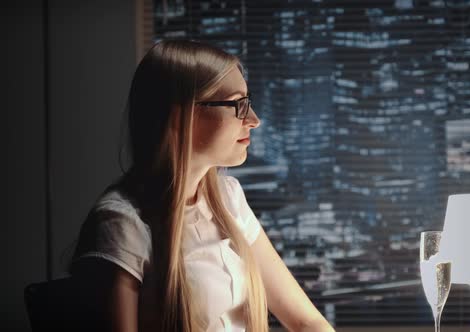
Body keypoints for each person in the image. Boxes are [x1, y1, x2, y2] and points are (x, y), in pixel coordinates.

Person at [69, 39, 335, 332]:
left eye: (249, 103)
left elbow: (306, 320)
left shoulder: (228, 197)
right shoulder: (121, 224)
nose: (254, 120)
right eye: (238, 105)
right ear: (183, 113)